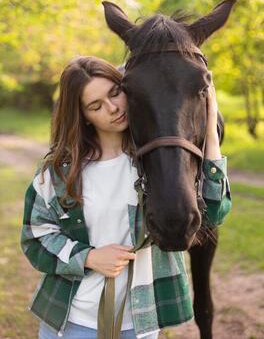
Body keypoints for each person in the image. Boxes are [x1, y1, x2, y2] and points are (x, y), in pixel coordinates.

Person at [21, 55, 231, 339]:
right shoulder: (60, 170)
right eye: (96, 106)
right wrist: (88, 257)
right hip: (70, 321)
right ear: (83, 115)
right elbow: (35, 236)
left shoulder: (157, 164)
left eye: (115, 93)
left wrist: (211, 136)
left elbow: (213, 213)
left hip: (139, 323)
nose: (112, 108)